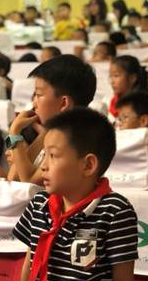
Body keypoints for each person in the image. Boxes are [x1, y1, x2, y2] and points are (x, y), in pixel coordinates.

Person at [13, 107, 138, 281]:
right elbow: (28, 266)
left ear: (88, 165)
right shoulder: (39, 204)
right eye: (44, 155)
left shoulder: (114, 211)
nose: (43, 166)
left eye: (53, 156)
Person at [6, 55, 96, 185]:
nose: (34, 103)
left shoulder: (72, 139)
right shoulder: (51, 132)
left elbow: (27, 183)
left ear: (63, 103)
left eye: (38, 95)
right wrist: (41, 136)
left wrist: (14, 133)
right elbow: (13, 178)